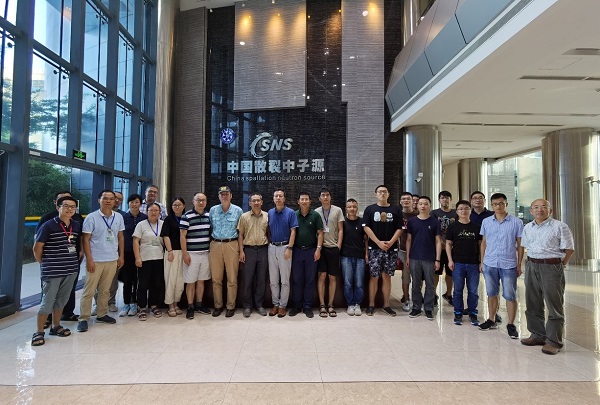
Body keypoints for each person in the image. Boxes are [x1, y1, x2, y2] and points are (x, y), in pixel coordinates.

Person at [520, 199, 574, 355]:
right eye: (536, 207)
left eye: (544, 207)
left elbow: (569, 248)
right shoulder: (527, 227)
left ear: (550, 211)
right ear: (531, 211)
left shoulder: (560, 226)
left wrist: (561, 264)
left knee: (554, 304)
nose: (540, 210)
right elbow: (526, 247)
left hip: (551, 266)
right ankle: (537, 335)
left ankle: (553, 341)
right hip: (531, 265)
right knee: (532, 302)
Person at [31, 196, 82, 346]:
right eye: (66, 206)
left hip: (71, 269)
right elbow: (37, 247)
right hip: (52, 270)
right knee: (47, 302)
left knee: (61, 300)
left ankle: (56, 326)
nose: (69, 209)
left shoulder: (76, 225)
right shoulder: (48, 225)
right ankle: (39, 332)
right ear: (58, 207)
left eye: (73, 207)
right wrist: (44, 263)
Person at [77, 190, 125, 333]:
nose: (108, 201)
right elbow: (85, 239)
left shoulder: (118, 217)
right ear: (99, 200)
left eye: (111, 199)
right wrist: (89, 259)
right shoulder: (91, 217)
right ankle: (83, 318)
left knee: (105, 290)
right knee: (89, 290)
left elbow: (120, 237)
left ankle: (102, 314)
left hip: (112, 259)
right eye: (105, 198)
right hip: (96, 260)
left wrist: (121, 256)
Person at [479, 192, 524, 339]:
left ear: (506, 204)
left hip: (508, 264)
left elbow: (520, 244)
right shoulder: (486, 221)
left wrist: (519, 264)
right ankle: (491, 319)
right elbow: (484, 242)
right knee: (491, 293)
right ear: (491, 205)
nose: (498, 206)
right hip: (490, 262)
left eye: (501, 203)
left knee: (510, 295)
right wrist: (482, 262)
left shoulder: (516, 222)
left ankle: (511, 324)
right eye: (495, 204)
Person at [362, 185, 403, 316]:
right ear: (376, 194)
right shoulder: (370, 209)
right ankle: (371, 305)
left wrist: (390, 242)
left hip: (391, 249)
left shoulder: (396, 209)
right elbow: (366, 227)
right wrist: (378, 242)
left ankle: (386, 305)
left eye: (385, 192)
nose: (382, 194)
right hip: (374, 248)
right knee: (374, 276)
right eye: (380, 192)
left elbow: (400, 228)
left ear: (388, 194)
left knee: (387, 276)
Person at [445, 200, 482, 326]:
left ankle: (473, 313)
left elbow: (480, 245)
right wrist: (450, 260)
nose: (463, 211)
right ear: (457, 211)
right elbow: (448, 244)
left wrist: (481, 261)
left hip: (473, 263)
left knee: (473, 290)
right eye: (461, 209)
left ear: (470, 210)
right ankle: (458, 312)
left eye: (466, 208)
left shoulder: (476, 227)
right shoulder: (453, 227)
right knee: (458, 290)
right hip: (458, 263)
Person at [209, 186, 243, 318]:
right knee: (216, 279)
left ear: (231, 195)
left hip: (232, 245)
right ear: (218, 196)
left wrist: (241, 250)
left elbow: (241, 231)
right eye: (222, 194)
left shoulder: (238, 211)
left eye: (226, 194)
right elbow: (211, 226)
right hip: (215, 245)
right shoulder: (213, 210)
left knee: (232, 278)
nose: (224, 196)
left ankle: (230, 306)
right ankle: (218, 306)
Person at [406, 196, 442, 320]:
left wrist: (437, 259)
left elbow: (438, 241)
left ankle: (428, 308)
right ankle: (416, 307)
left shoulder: (435, 222)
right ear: (417, 205)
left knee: (430, 284)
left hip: (430, 258)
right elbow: (409, 240)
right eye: (420, 204)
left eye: (425, 204)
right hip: (414, 257)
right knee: (416, 284)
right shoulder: (412, 221)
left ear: (429, 206)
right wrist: (408, 257)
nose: (423, 206)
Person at [289, 191, 324, 318]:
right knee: (296, 280)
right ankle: (297, 306)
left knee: (310, 280)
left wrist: (318, 249)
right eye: (302, 199)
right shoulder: (294, 215)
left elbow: (320, 233)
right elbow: (291, 232)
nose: (304, 201)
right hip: (297, 251)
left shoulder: (315, 215)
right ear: (298, 201)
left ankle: (307, 306)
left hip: (311, 251)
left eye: (306, 199)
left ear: (310, 201)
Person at [180, 192, 212, 319]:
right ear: (193, 201)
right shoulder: (187, 216)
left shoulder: (209, 215)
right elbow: (182, 236)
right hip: (191, 254)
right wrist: (185, 254)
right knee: (190, 282)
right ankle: (190, 306)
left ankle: (199, 304)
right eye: (198, 200)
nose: (201, 202)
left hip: (205, 253)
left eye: (203, 200)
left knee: (201, 281)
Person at [267, 189, 298, 318]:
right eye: (276, 196)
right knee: (273, 280)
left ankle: (282, 306)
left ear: (284, 198)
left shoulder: (290, 213)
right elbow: (268, 230)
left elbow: (293, 231)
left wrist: (289, 248)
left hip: (285, 247)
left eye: (280, 196)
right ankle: (275, 304)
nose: (278, 198)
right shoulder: (270, 213)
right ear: (273, 199)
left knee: (285, 280)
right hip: (272, 247)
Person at [237, 193, 269, 317]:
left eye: (258, 200)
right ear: (249, 203)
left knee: (261, 279)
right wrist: (241, 251)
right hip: (248, 250)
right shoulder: (244, 217)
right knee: (247, 279)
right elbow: (240, 235)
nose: (256, 203)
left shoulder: (267, 216)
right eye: (253, 201)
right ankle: (247, 306)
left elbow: (269, 233)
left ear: (262, 202)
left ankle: (259, 305)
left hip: (263, 249)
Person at [315, 187, 344, 318]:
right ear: (319, 198)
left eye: (327, 195)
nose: (325, 197)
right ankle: (322, 305)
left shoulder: (337, 210)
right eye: (323, 195)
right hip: (321, 248)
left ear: (330, 197)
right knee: (321, 276)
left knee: (332, 277)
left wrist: (338, 246)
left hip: (333, 248)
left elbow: (341, 229)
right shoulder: (316, 212)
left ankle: (331, 304)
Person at [133, 203, 165, 320]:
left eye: (156, 210)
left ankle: (154, 305)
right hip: (145, 258)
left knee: (156, 284)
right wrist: (137, 257)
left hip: (159, 258)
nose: (153, 212)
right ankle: (142, 307)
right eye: (151, 210)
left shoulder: (162, 224)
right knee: (143, 284)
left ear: (159, 212)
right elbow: (135, 241)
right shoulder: (141, 225)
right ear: (147, 212)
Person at [118, 194, 147, 317]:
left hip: (142, 253)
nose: (134, 204)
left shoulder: (145, 218)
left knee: (138, 280)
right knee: (127, 279)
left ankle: (135, 303)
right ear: (128, 203)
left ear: (140, 204)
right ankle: (126, 303)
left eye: (136, 202)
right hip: (127, 252)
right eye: (131, 202)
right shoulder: (122, 218)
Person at [340, 198, 367, 316]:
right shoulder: (342, 223)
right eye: (349, 207)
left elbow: (366, 239)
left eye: (354, 207)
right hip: (346, 256)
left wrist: (366, 254)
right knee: (348, 283)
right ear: (346, 209)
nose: (352, 209)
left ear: (357, 208)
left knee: (359, 283)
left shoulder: (362, 222)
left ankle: (357, 304)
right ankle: (350, 304)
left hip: (360, 256)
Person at [431, 190, 457, 307]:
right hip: (438, 248)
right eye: (442, 198)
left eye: (447, 198)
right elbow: (431, 229)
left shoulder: (455, 213)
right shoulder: (434, 213)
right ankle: (433, 294)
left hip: (452, 249)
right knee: (436, 272)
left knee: (450, 272)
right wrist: (439, 242)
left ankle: (448, 294)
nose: (444, 200)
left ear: (450, 200)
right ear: (439, 200)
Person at [161, 197, 186, 317]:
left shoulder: (186, 218)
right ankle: (170, 305)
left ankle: (176, 303)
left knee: (180, 280)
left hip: (184, 252)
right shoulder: (169, 219)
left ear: (184, 206)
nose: (177, 207)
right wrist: (170, 251)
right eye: (174, 205)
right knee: (170, 279)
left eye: (179, 205)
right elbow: (165, 236)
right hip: (172, 252)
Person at [103, 190, 126, 313]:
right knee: (99, 281)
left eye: (120, 199)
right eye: (115, 197)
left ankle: (111, 302)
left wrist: (121, 255)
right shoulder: (97, 215)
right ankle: (99, 304)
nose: (117, 200)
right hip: (99, 253)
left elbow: (122, 237)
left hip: (114, 253)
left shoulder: (122, 216)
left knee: (113, 280)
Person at [398, 191, 417, 312]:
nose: (406, 201)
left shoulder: (417, 215)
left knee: (417, 276)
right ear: (400, 201)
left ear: (412, 201)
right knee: (406, 275)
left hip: (417, 250)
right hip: (403, 249)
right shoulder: (397, 214)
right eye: (403, 199)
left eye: (408, 199)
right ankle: (406, 298)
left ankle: (416, 299)